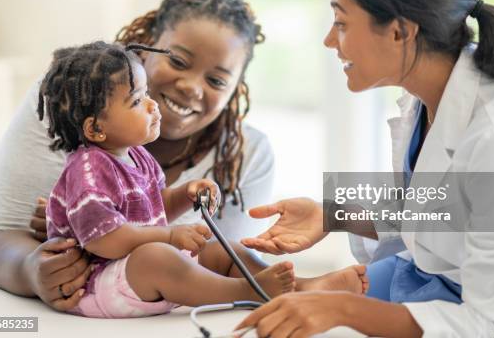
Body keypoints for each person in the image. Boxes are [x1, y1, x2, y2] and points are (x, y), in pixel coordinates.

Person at [237, 0, 494, 337]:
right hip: (444, 288)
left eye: (341, 22)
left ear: (400, 32)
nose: (330, 41)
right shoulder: (425, 100)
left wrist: (344, 308)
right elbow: (444, 209)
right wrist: (332, 213)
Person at [0, 0, 276, 312]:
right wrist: (30, 269)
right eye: (177, 60)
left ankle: (310, 288)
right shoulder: (69, 104)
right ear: (144, 46)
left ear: (237, 89)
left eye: (217, 79)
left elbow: (217, 256)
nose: (191, 87)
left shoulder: (247, 154)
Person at [38, 41, 303, 317]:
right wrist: (171, 236)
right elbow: (103, 240)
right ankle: (247, 292)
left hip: (134, 276)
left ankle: (295, 288)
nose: (152, 105)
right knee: (157, 256)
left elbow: (155, 208)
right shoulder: (88, 168)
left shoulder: (137, 156)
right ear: (95, 128)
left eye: (146, 94)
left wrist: (186, 195)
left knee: (225, 252)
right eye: (137, 101)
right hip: (97, 283)